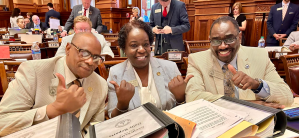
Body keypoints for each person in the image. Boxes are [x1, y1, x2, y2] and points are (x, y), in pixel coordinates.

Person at [0, 32, 108, 137]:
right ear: (68, 48)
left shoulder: (101, 85)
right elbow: (3, 122)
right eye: (84, 53)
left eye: (96, 57)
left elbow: (94, 128)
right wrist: (54, 109)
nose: (90, 61)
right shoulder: (34, 72)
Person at [186, 16, 293, 108]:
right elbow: (193, 98)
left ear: (239, 37)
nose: (222, 46)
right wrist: (246, 105)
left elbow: (287, 97)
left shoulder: (260, 56)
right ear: (210, 39)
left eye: (229, 39)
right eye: (216, 41)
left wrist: (257, 86)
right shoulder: (196, 60)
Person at [107, 20, 193, 118]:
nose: (141, 50)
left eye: (146, 44)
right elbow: (112, 118)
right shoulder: (116, 73)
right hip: (135, 131)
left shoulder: (170, 68)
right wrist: (122, 104)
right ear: (124, 49)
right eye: (134, 45)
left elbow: (183, 113)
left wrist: (180, 98)